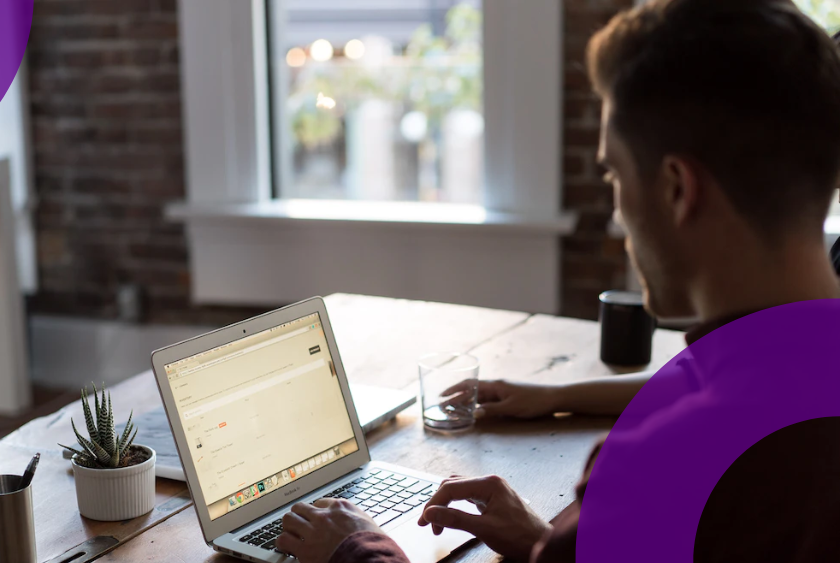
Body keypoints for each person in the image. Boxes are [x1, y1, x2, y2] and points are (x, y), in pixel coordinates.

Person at [274, 0, 840, 561]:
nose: (618, 218)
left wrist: (357, 549)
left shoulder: (666, 463)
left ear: (675, 190)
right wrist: (554, 546)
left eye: (614, 172)